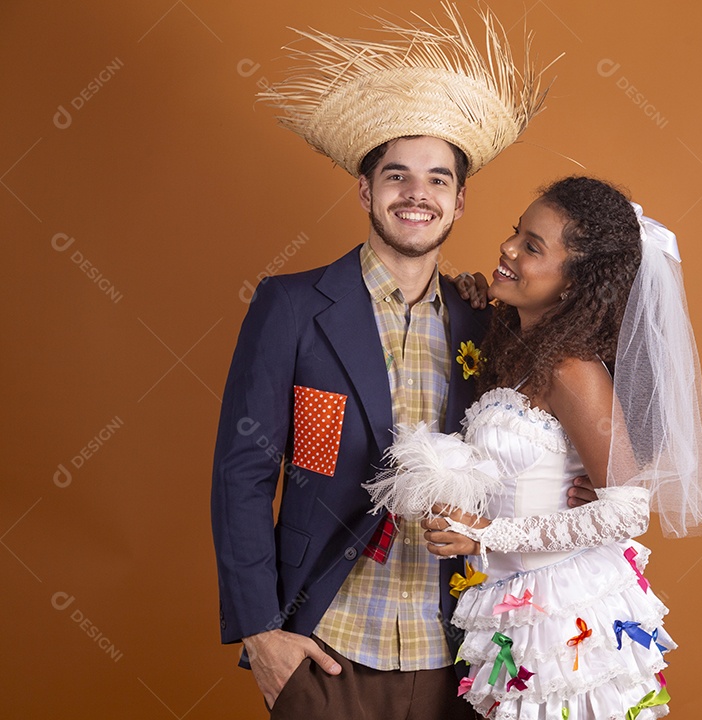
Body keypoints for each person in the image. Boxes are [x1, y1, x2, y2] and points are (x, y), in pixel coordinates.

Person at [209, 8, 574, 719]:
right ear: (365, 190)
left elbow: (529, 446)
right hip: (327, 645)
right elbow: (242, 476)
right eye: (397, 175)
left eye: (438, 180)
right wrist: (261, 634)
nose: (417, 194)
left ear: (459, 202)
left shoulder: (484, 320)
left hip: (461, 648)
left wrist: (578, 488)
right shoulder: (292, 307)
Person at [372, 176, 702, 719]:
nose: (507, 247)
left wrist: (486, 534)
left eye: (531, 247)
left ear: (574, 285)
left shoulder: (572, 369)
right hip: (511, 605)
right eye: (516, 232)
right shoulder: (514, 345)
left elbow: (628, 511)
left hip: (562, 616)